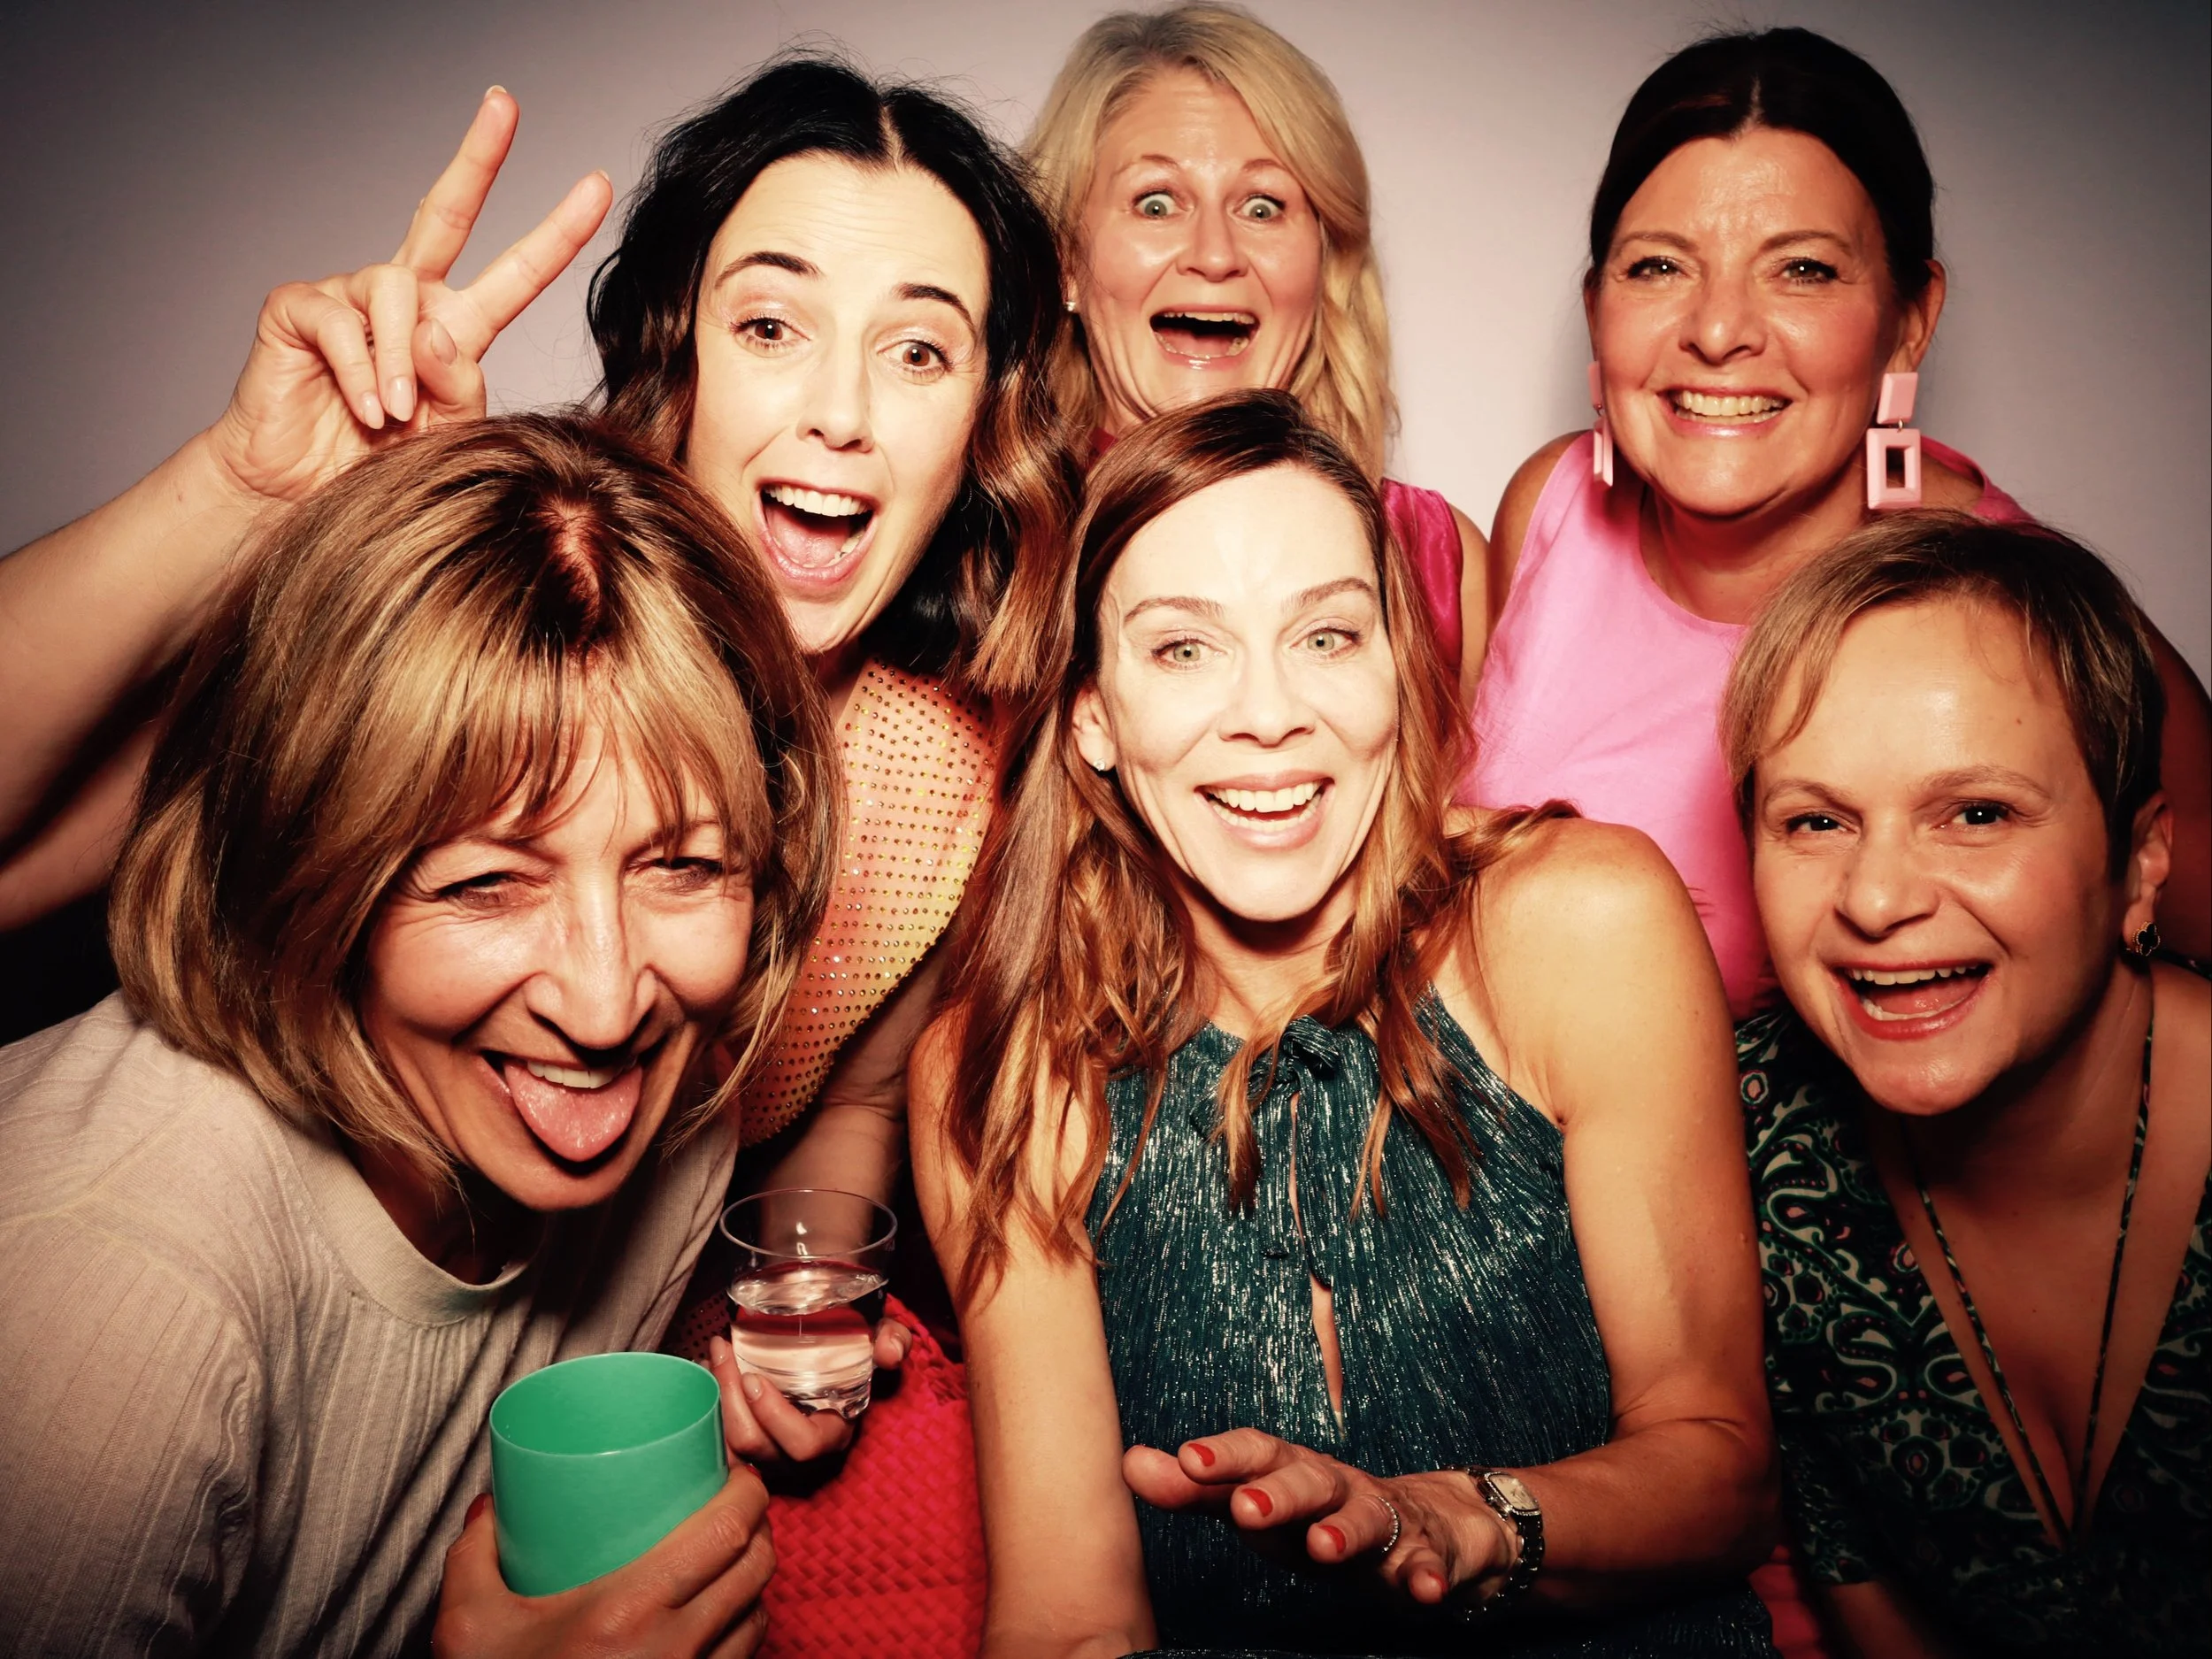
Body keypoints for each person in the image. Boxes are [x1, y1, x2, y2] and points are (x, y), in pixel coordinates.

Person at [0, 57, 1076, 1463]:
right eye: (771, 323)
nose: (843, 413)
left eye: (919, 350)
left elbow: (847, 1099)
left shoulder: (941, 769)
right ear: (677, 354)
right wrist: (240, 492)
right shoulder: (500, 604)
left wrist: (769, 1303)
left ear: (985, 415)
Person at [911, 389, 1779, 1655]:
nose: (1270, 714)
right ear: (1093, 717)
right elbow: (1069, 1619)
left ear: (1396, 667)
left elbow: (1722, 1469)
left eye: (1325, 635)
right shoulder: (1002, 1075)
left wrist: (1467, 1516)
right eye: (1183, 648)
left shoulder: (1579, 924)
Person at [0, 415, 837, 1655]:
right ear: (312, 868)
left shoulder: (672, 1133)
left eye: (685, 866)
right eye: (486, 883)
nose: (608, 1007)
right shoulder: (118, 1306)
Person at [1469, 27, 2212, 1018]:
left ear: (1910, 319)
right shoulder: (1547, 508)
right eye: (1656, 267)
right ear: (1595, 305)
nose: (1719, 329)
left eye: (1802, 270)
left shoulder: (2029, 612)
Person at [1724, 511, 2208, 1659]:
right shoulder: (1748, 1139)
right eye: (1816, 818)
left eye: (1978, 811)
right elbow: (1864, 1585)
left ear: (2140, 860)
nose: (1878, 896)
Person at [1025, 3, 1490, 700]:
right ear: (1065, 258)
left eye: (1262, 206)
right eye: (1156, 203)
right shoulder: (985, 551)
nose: (1215, 255)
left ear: (1324, 264)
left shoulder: (1435, 559)